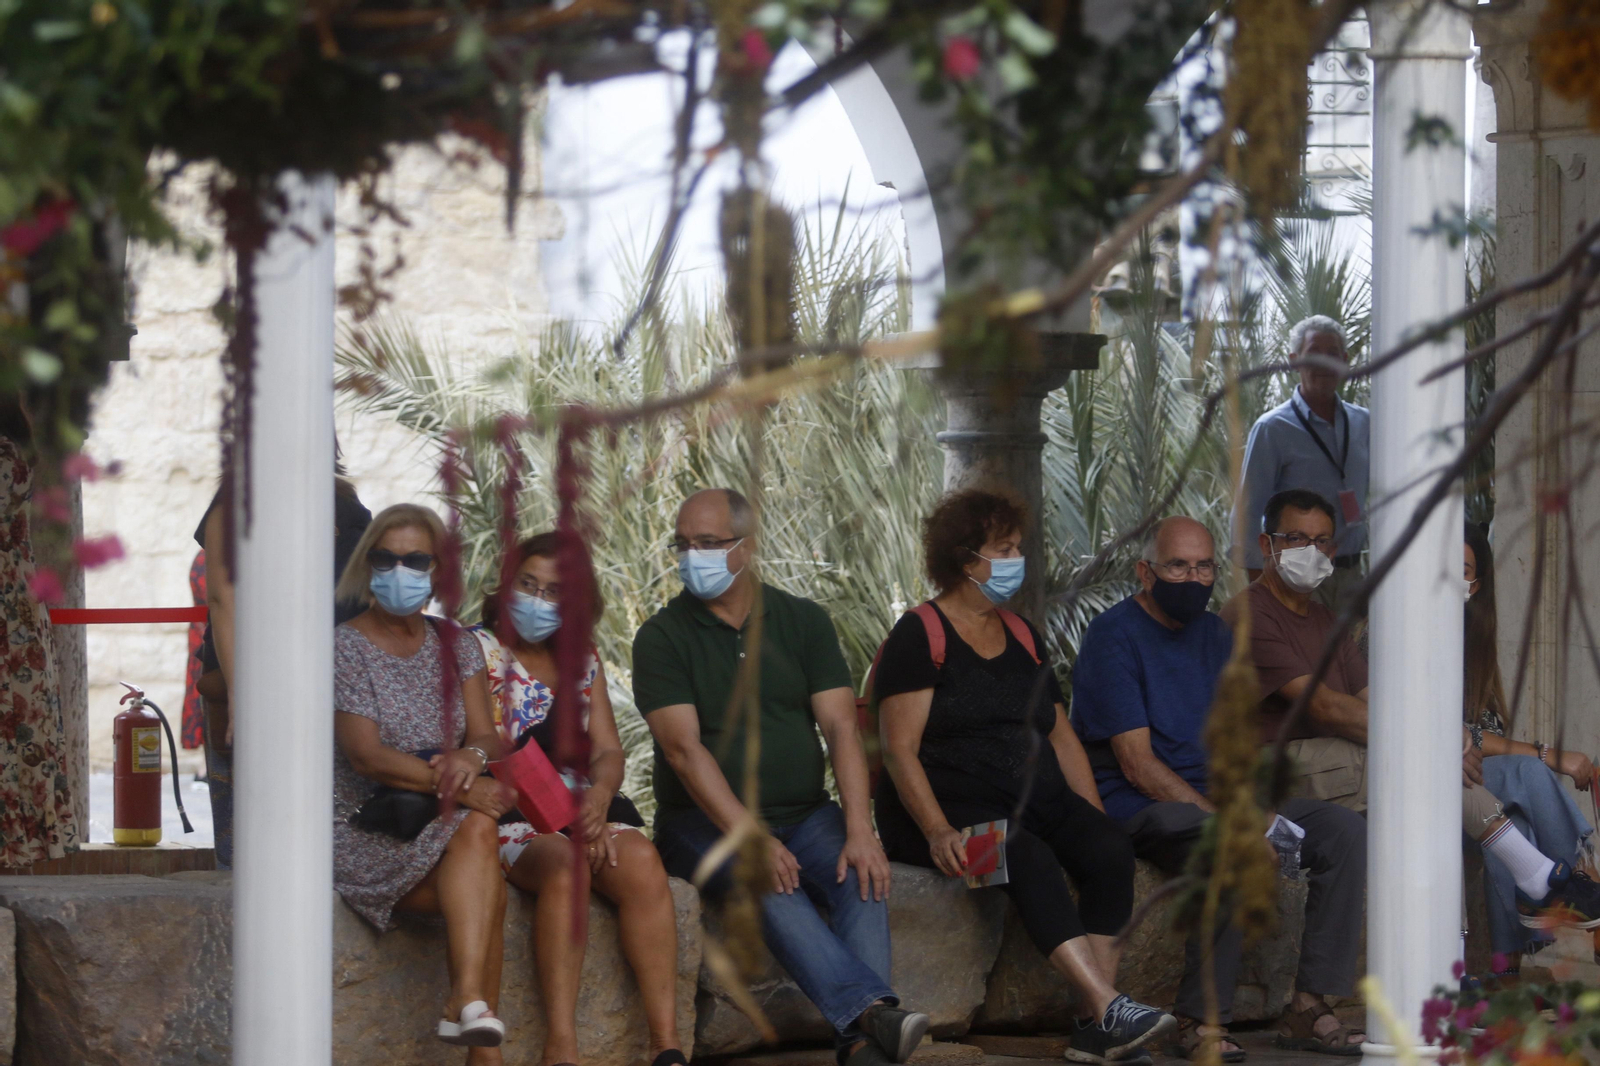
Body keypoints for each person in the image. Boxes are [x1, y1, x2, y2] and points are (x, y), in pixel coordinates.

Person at [873, 488, 1174, 1065]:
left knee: (1109, 847)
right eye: (1004, 549)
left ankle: (1094, 1023)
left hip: (1030, 797)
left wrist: (1089, 815)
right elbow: (899, 752)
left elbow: (1060, 734)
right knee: (1023, 854)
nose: (1017, 559)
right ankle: (1108, 1005)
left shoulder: (1022, 633)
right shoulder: (921, 634)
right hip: (937, 823)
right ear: (966, 561)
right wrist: (937, 831)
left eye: (1017, 547)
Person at [633, 488, 929, 1066]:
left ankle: (865, 1044)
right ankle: (873, 1014)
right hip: (699, 822)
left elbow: (843, 730)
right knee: (768, 880)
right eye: (684, 544)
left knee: (862, 873)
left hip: (803, 812)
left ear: (749, 547)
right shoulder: (661, 637)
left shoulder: (803, 621)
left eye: (710, 544)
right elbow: (684, 752)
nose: (693, 556)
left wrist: (859, 828)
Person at [1220, 490, 1600, 931]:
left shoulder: (1327, 620)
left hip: (1343, 764)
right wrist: (1433, 738)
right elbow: (1326, 708)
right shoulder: (1251, 614)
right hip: (1271, 773)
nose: (1312, 551)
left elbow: (1372, 702)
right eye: (1296, 538)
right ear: (1267, 545)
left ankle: (1518, 910)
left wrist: (1440, 736)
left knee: (1448, 779)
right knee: (1421, 765)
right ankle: (1539, 882)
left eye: (1322, 541)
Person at [1073, 516, 1365, 1059]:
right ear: (1145, 572)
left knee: (1343, 832)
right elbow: (1137, 765)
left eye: (1204, 566)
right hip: (1145, 806)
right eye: (1178, 566)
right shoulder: (1113, 636)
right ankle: (1199, 1021)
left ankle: (1308, 1006)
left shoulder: (1217, 637)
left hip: (1220, 798)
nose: (1193, 578)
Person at [471, 532, 685, 1066]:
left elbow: (609, 752)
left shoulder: (581, 659)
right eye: (528, 585)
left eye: (555, 593)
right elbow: (485, 745)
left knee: (640, 862)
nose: (538, 601)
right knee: (567, 865)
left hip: (580, 810)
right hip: (509, 811)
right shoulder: (475, 650)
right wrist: (569, 822)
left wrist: (600, 798)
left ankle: (666, 1046)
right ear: (506, 585)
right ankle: (561, 1046)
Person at [333, 503, 509, 1061]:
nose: (398, 571)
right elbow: (365, 757)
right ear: (366, 566)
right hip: (365, 826)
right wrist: (456, 783)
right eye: (384, 559)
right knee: (486, 878)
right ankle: (474, 1026)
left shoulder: (457, 643)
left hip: (440, 820)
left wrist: (472, 757)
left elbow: (489, 736)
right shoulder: (345, 646)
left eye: (414, 560)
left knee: (477, 841)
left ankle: (467, 1002)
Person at [195, 470, 371, 868]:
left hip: (333, 681)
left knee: (331, 831)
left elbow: (367, 592)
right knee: (260, 838)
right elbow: (224, 600)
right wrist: (242, 692)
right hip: (268, 681)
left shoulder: (344, 501)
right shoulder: (238, 500)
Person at [1463, 522, 1597, 972]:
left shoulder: (1470, 642)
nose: (1454, 579)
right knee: (1527, 772)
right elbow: (1454, 733)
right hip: (1417, 776)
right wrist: (1548, 754)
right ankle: (1578, 882)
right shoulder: (1385, 634)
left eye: (1464, 570)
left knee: (1512, 815)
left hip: (1471, 784)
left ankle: (1509, 970)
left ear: (1477, 583)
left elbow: (1482, 732)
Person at [1234, 317, 1369, 612]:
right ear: (1294, 361)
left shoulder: (1365, 423)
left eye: (1332, 354)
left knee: (1354, 658)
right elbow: (1247, 513)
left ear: (1344, 361)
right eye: (1313, 353)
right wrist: (1264, 593)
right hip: (1294, 581)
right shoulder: (1273, 428)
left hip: (1352, 578)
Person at [0, 427, 79, 868]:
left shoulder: (11, 455)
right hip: (16, 610)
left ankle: (21, 839)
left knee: (20, 731)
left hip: (14, 612)